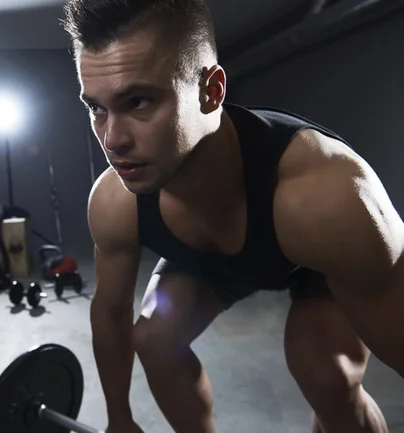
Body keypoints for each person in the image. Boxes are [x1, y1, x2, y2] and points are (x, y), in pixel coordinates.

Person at [61, 1, 404, 432]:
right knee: (154, 339)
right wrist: (119, 418)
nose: (112, 140)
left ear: (211, 91)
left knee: (326, 375)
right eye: (97, 108)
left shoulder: (327, 196)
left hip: (312, 254)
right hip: (212, 253)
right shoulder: (115, 202)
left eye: (139, 101)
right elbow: (110, 313)